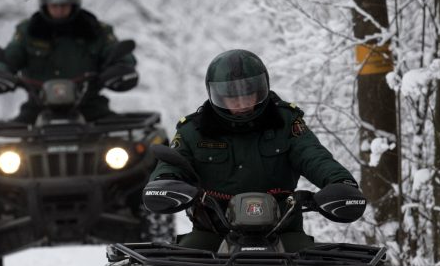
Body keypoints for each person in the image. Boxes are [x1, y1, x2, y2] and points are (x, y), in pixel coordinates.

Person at [151, 49, 359, 252]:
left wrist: (340, 183)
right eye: (232, 98)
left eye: (249, 95)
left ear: (262, 89)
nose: (242, 104)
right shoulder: (193, 130)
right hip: (213, 232)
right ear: (216, 95)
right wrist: (166, 181)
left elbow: (314, 156)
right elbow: (172, 164)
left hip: (282, 231)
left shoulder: (286, 122)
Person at [0, 0, 138, 123]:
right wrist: (0, 72)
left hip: (91, 107)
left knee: (136, 144)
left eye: (64, 5)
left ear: (74, 4)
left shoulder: (96, 30)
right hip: (37, 109)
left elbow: (117, 54)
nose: (59, 10)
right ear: (45, 5)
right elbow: (11, 56)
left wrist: (120, 68)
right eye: (54, 5)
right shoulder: (29, 30)